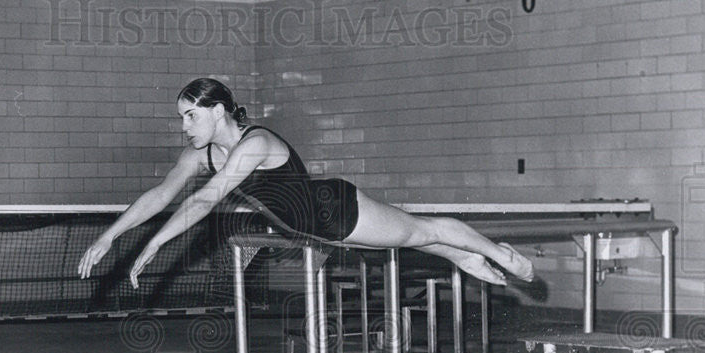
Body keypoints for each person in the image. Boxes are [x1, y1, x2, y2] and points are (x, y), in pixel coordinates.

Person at [78, 78, 533, 287]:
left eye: (191, 115)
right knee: (412, 238)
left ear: (218, 111)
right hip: (313, 227)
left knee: (421, 231)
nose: (185, 126)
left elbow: (205, 200)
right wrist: (110, 236)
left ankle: (501, 255)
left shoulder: (254, 143)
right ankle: (463, 257)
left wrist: (155, 245)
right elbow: (161, 195)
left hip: (334, 211)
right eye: (181, 117)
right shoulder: (199, 154)